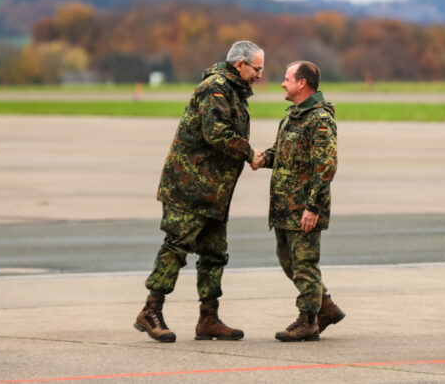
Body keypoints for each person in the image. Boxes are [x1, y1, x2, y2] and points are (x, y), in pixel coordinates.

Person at [134, 40, 265, 343]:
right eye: (257, 68)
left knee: (215, 254)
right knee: (176, 247)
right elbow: (216, 132)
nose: (260, 74)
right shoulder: (215, 88)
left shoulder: (233, 90)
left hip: (213, 190)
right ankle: (150, 310)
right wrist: (249, 152)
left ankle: (209, 318)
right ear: (239, 65)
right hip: (189, 186)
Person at [253, 61, 345, 342]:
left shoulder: (319, 118)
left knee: (304, 264)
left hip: (303, 206)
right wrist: (264, 158)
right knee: (288, 260)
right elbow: (286, 153)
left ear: (302, 83)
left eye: (287, 79)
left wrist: (313, 207)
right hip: (285, 206)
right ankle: (325, 306)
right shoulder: (295, 115)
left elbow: (325, 166)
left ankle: (308, 321)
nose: (282, 83)